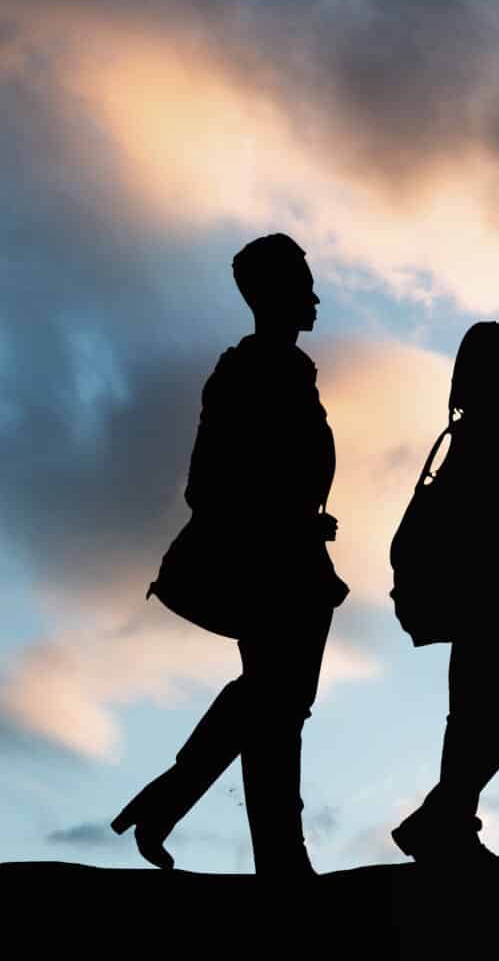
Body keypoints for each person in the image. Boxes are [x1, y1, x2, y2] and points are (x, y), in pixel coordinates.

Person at [113, 233, 349, 875]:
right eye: (302, 283)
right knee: (276, 704)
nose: (315, 296)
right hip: (268, 566)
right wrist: (276, 521)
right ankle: (278, 855)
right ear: (270, 293)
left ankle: (175, 806)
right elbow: (206, 483)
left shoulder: (290, 372)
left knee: (275, 701)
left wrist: (302, 520)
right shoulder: (245, 372)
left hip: (294, 559)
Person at [390, 321, 499, 862]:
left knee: (478, 719)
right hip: (486, 600)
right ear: (495, 371)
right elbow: (478, 521)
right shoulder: (479, 437)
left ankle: (448, 821)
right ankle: (443, 819)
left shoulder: (482, 433)